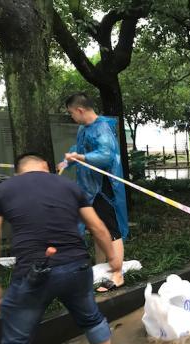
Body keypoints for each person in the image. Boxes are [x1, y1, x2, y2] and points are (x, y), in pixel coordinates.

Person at [0, 153, 123, 344]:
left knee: (15, 343)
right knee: (91, 317)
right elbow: (97, 227)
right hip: (77, 268)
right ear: (46, 168)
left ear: (18, 171)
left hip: (32, 274)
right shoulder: (69, 186)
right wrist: (114, 259)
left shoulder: (2, 190)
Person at [58, 93, 128, 293]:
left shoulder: (102, 128)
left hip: (103, 188)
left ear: (80, 110)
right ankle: (102, 267)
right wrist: (67, 161)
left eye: (71, 113)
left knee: (111, 229)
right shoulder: (83, 128)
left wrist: (79, 157)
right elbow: (79, 149)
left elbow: (106, 156)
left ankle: (117, 275)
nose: (71, 117)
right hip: (87, 187)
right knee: (97, 227)